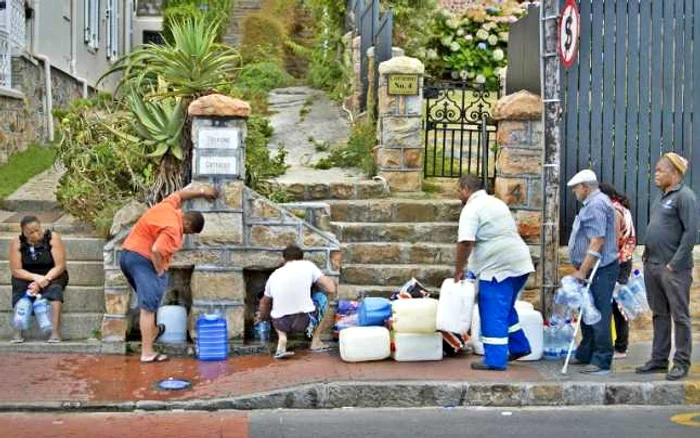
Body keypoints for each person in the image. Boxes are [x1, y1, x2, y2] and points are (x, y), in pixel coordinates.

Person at [120, 185, 218, 363]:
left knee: (153, 296)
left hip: (127, 255)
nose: (186, 234)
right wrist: (158, 269)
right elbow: (157, 250)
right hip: (143, 260)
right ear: (187, 224)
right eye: (189, 232)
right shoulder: (174, 229)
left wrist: (203, 191)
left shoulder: (169, 207)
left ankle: (154, 331)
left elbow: (180, 194)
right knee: (148, 307)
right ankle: (147, 353)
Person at [453, 174, 534, 371]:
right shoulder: (496, 203)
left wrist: (458, 270)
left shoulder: (471, 209)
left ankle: (495, 360)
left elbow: (465, 242)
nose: (458, 194)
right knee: (505, 308)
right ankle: (519, 346)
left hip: (498, 268)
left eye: (458, 190)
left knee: (492, 310)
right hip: (520, 263)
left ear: (465, 189)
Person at [635, 153, 697, 381]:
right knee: (659, 314)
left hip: (673, 269)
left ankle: (681, 362)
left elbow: (690, 234)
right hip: (652, 264)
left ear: (675, 173)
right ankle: (659, 359)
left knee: (680, 316)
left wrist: (674, 264)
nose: (656, 174)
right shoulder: (661, 198)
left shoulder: (685, 197)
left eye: (660, 170)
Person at [566, 169, 620, 375]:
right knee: (587, 311)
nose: (574, 192)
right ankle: (586, 352)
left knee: (597, 312)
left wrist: (582, 271)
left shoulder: (596, 204)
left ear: (585, 187)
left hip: (600, 268)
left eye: (576, 189)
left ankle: (601, 358)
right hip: (595, 268)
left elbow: (597, 241)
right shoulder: (597, 202)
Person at [256, 244, 337, 359]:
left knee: (273, 306)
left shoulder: (274, 274)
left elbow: (264, 302)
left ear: (283, 259)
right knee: (322, 297)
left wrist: (262, 317)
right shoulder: (308, 266)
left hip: (280, 323)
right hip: (304, 322)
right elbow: (331, 288)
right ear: (301, 258)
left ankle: (282, 338)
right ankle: (315, 342)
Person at [9, 215, 69, 343]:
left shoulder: (52, 238)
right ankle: (18, 330)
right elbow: (16, 270)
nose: (36, 234)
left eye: (38, 230)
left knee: (54, 289)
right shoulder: (17, 242)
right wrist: (35, 278)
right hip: (28, 274)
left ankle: (54, 332)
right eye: (31, 232)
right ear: (24, 233)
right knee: (18, 285)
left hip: (52, 273)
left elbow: (60, 266)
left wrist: (44, 280)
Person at [599, 183, 637, 359]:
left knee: (615, 305)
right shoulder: (622, 208)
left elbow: (612, 242)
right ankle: (621, 345)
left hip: (617, 262)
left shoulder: (614, 211)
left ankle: (620, 347)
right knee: (617, 304)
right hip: (625, 260)